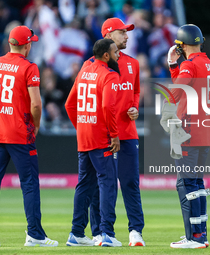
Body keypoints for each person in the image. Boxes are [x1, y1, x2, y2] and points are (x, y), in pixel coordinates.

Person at [0, 25, 58, 247]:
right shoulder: (29, 67)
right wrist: (36, 126)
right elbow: (36, 103)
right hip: (19, 134)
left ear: (10, 43)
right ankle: (34, 234)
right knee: (29, 183)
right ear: (27, 45)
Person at [82, 17, 145, 247]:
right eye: (122, 32)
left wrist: (135, 107)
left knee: (130, 183)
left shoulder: (133, 63)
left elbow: (136, 91)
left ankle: (135, 231)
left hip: (127, 133)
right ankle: (99, 232)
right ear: (109, 35)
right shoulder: (90, 65)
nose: (127, 36)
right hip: (102, 136)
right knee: (100, 186)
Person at [160, 24, 210, 249]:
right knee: (197, 183)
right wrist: (175, 65)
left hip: (187, 132)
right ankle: (200, 234)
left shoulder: (190, 65)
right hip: (205, 131)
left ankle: (194, 238)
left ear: (181, 45)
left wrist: (165, 106)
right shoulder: (209, 64)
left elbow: (178, 89)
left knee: (186, 183)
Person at [65, 38, 122, 247]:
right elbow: (108, 107)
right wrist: (114, 134)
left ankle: (76, 233)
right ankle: (107, 233)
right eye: (115, 52)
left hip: (85, 137)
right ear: (106, 55)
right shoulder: (109, 75)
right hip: (101, 139)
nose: (117, 55)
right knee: (107, 183)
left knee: (84, 185)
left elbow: (69, 104)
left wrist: (81, 127)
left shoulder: (84, 71)